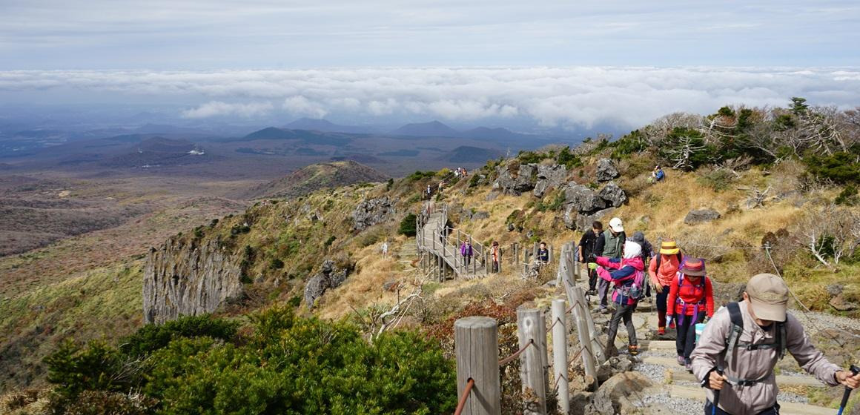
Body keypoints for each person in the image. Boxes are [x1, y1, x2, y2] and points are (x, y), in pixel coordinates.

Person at [692, 273, 860, 415]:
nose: (767, 318)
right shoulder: (726, 319)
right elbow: (700, 356)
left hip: (764, 405)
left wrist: (837, 374)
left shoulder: (786, 324)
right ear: (746, 297)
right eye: (762, 311)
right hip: (724, 404)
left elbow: (811, 359)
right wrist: (708, 375)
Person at [596, 240, 645, 357]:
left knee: (614, 322)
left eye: (624, 249)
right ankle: (633, 346)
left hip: (622, 300)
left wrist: (598, 269)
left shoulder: (629, 268)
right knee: (628, 321)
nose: (622, 251)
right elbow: (612, 262)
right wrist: (597, 258)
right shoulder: (635, 262)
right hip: (630, 300)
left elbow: (611, 276)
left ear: (630, 252)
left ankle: (609, 348)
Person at [667, 258, 714, 370]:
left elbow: (709, 297)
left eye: (695, 275)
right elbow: (672, 296)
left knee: (692, 335)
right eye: (690, 275)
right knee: (681, 333)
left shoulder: (705, 281)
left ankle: (689, 358)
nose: (692, 277)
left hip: (698, 310)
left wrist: (711, 314)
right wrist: (669, 313)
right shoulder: (678, 279)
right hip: (680, 309)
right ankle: (681, 353)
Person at [649, 240, 683, 335]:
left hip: (675, 283)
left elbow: (683, 267)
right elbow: (651, 270)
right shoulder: (657, 258)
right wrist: (656, 283)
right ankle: (661, 324)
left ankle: (671, 319)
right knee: (661, 304)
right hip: (661, 283)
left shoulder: (679, 256)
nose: (668, 255)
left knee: (675, 304)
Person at [597, 217, 626, 314]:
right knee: (603, 285)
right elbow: (597, 251)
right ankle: (603, 305)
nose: (617, 232)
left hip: (618, 263)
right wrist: (598, 265)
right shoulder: (603, 236)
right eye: (615, 230)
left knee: (620, 284)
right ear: (610, 227)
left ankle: (618, 303)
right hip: (606, 264)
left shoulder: (622, 234)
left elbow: (624, 246)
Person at [578, 221, 604, 296]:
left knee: (595, 271)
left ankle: (593, 288)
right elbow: (581, 244)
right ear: (593, 228)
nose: (598, 231)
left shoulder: (602, 234)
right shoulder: (588, 234)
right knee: (592, 272)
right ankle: (592, 287)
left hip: (598, 255)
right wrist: (581, 256)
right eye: (597, 230)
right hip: (589, 255)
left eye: (600, 230)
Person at [630, 231, 653, 299]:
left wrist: (650, 263)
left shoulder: (646, 243)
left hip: (641, 263)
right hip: (631, 262)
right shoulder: (628, 241)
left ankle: (642, 292)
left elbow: (651, 253)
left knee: (641, 279)